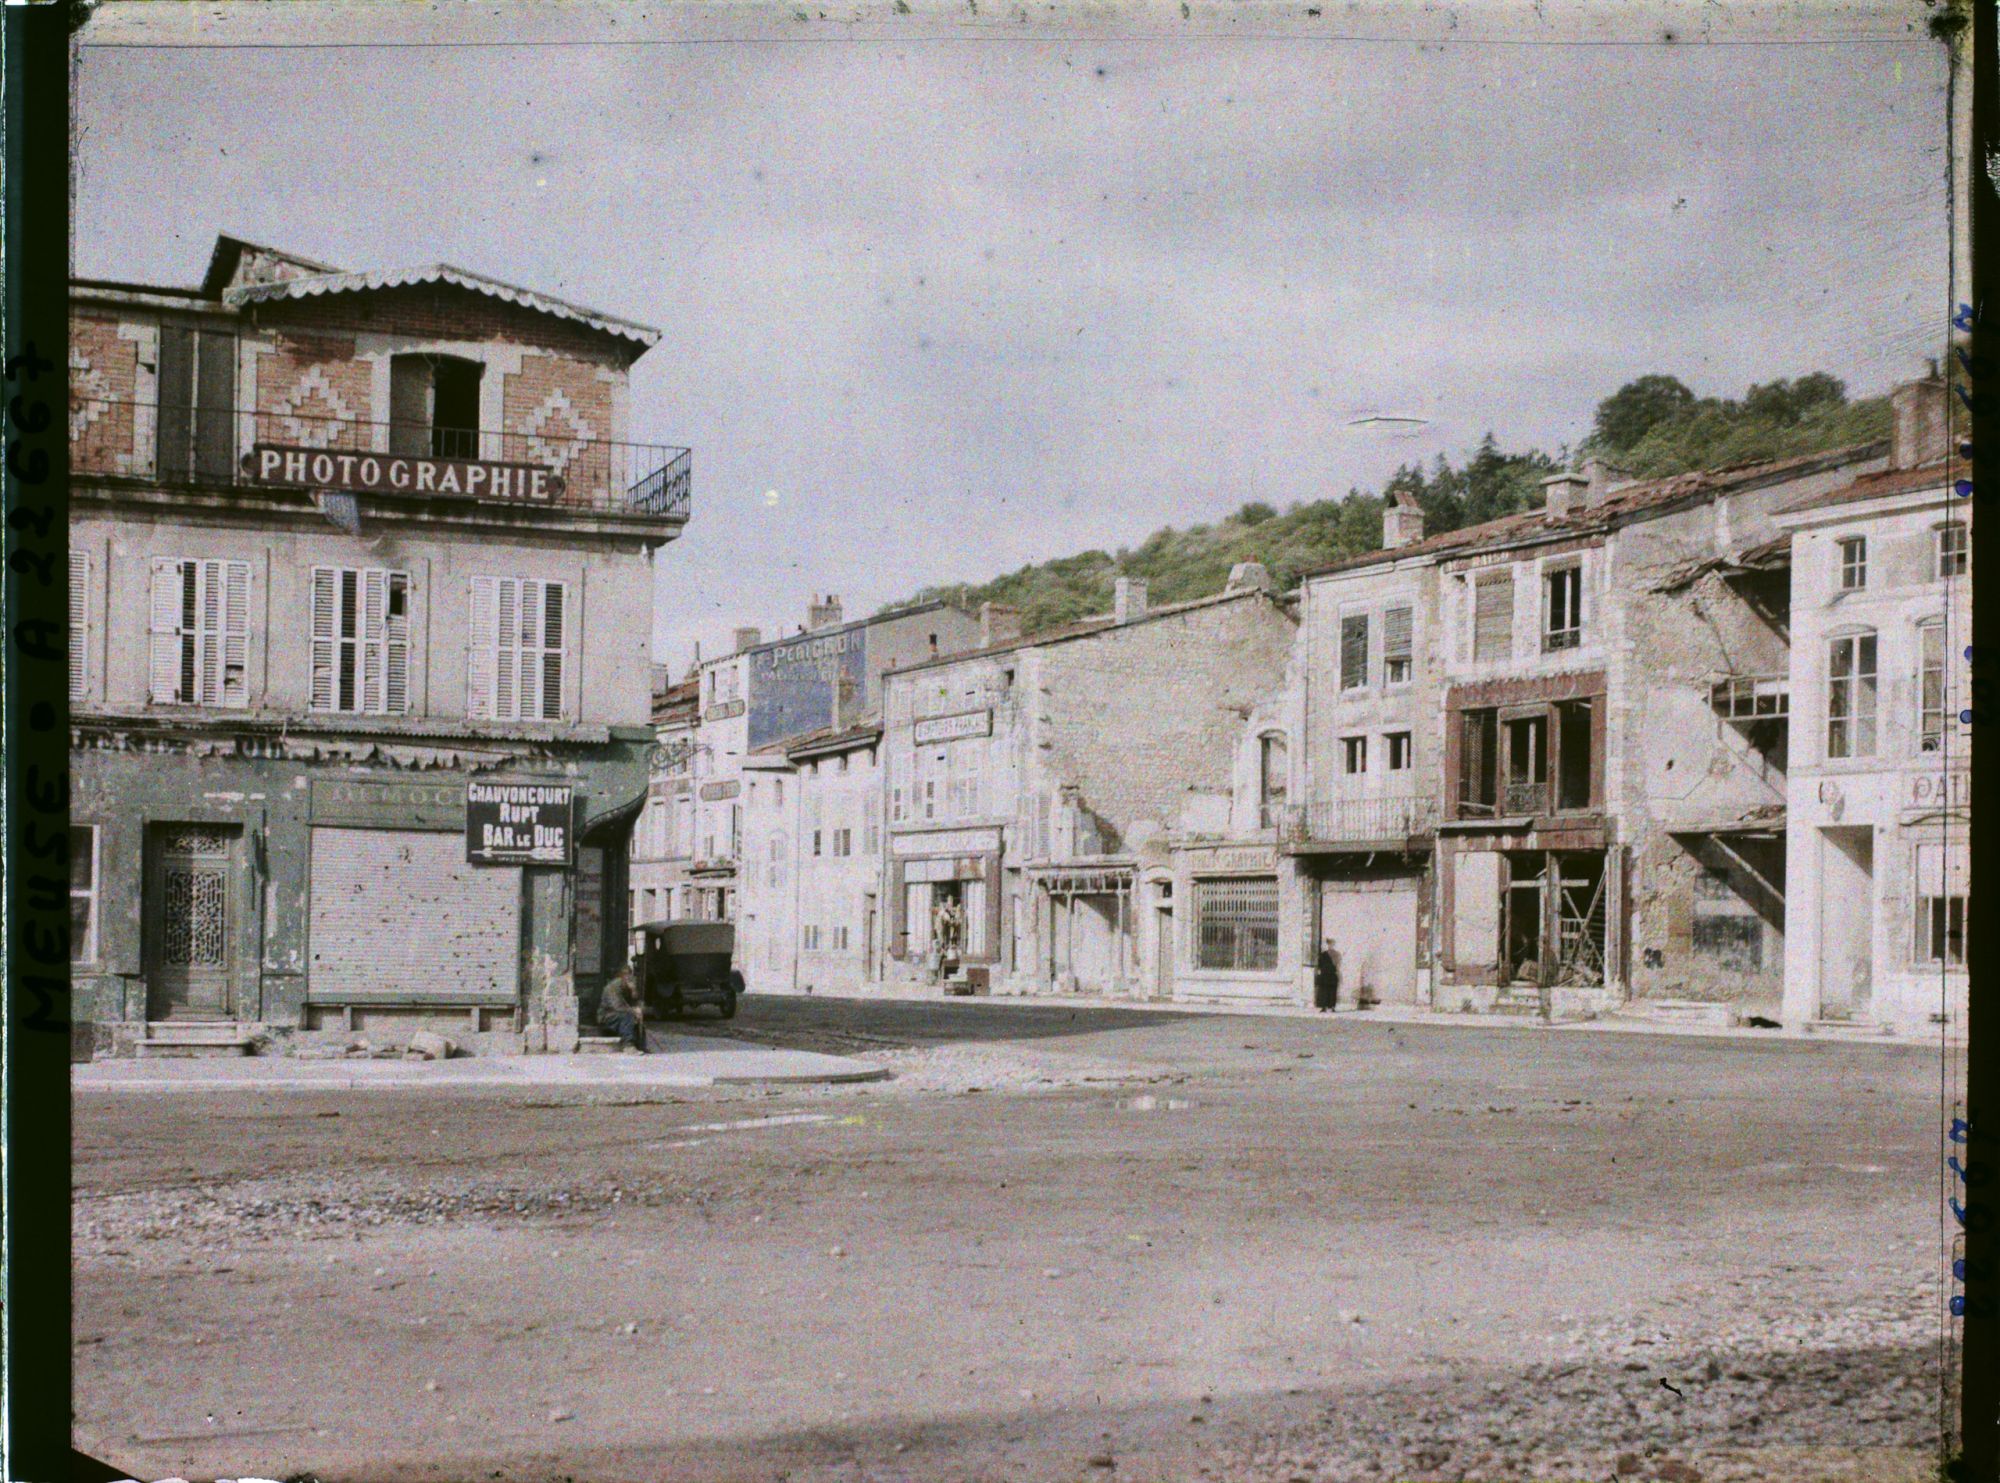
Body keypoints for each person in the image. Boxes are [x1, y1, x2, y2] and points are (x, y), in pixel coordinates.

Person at [598, 960, 648, 1052]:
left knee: (637, 1019)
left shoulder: (628, 987)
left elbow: (636, 1003)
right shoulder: (613, 987)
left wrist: (634, 992)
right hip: (607, 1017)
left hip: (619, 1015)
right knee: (627, 1016)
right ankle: (628, 1046)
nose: (628, 977)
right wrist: (633, 1011)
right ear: (620, 976)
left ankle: (641, 1046)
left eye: (630, 974)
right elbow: (617, 1006)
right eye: (625, 974)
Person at [1313, 940, 1340, 1013]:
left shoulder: (1336, 954)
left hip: (1331, 975)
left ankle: (1331, 1006)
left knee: (1331, 991)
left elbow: (1337, 965)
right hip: (1325, 975)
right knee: (1324, 991)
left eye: (1332, 944)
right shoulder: (1323, 954)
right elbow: (1319, 965)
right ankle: (1324, 1006)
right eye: (1329, 944)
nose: (1330, 946)